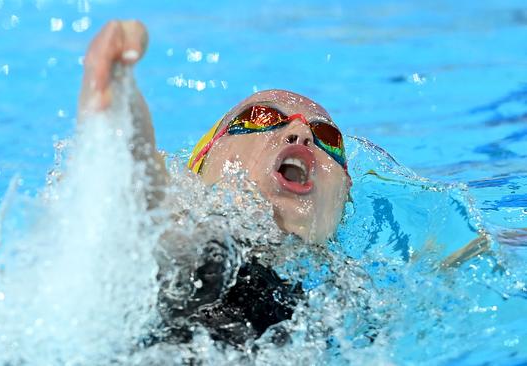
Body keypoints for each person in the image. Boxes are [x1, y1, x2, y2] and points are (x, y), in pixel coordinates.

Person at [76, 20, 499, 351]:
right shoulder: (192, 238)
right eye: (262, 118)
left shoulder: (360, 295)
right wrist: (117, 91)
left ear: (342, 202)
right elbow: (140, 195)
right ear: (202, 164)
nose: (301, 135)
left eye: (328, 138)